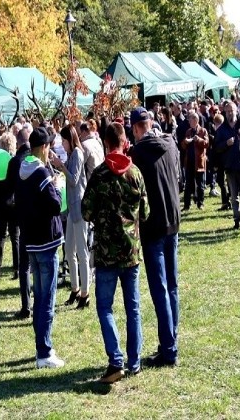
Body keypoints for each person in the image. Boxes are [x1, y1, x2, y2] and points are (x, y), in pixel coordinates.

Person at [82, 122, 148, 383]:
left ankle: (115, 360)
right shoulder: (135, 174)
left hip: (108, 252)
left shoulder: (99, 175)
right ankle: (134, 361)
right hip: (131, 251)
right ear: (124, 141)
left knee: (105, 307)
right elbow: (145, 212)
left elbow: (86, 211)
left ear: (107, 143)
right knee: (133, 308)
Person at [129, 108, 180, 368]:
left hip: (154, 226)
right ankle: (170, 342)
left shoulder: (137, 154)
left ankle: (169, 348)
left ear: (138, 128)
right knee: (171, 286)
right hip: (172, 220)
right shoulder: (170, 144)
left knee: (161, 288)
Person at [15, 127, 65, 369]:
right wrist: (56, 185)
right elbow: (55, 205)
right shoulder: (42, 172)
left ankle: (41, 345)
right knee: (47, 298)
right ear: (44, 147)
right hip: (46, 240)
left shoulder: (21, 169)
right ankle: (44, 352)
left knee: (39, 297)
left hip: (30, 241)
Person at [50, 124, 89, 309]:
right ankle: (74, 288)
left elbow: (73, 179)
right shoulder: (72, 155)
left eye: (64, 141)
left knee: (82, 253)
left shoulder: (78, 154)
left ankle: (85, 293)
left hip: (79, 208)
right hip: (72, 209)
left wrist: (61, 166)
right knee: (69, 252)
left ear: (70, 140)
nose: (62, 145)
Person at [214, 102, 240, 230]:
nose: (230, 113)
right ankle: (237, 220)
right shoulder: (221, 130)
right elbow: (217, 148)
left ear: (237, 111)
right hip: (230, 167)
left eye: (232, 110)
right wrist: (226, 143)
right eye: (228, 111)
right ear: (225, 113)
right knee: (234, 197)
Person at [6, 128, 32, 318]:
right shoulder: (37, 157)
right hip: (38, 216)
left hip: (21, 215)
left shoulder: (15, 162)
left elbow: (8, 189)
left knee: (25, 266)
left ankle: (26, 306)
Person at [0, 132, 19, 280]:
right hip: (13, 203)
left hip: (0, 203)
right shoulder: (15, 162)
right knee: (15, 237)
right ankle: (16, 269)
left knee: (1, 237)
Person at [180, 111, 208, 211]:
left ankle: (200, 203)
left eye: (191, 120)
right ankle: (186, 205)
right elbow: (182, 146)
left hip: (199, 161)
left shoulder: (203, 131)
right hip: (189, 162)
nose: (189, 122)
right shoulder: (188, 131)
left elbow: (206, 144)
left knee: (200, 184)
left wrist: (199, 140)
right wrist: (185, 142)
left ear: (196, 120)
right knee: (188, 184)